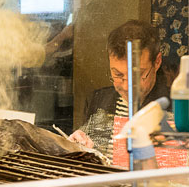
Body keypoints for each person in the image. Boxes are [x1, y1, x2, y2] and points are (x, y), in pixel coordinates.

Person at [70, 20, 172, 166]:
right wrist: (76, 145)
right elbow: (87, 151)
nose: (126, 86)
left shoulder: (182, 109)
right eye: (118, 75)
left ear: (157, 62)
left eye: (137, 75)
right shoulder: (98, 101)